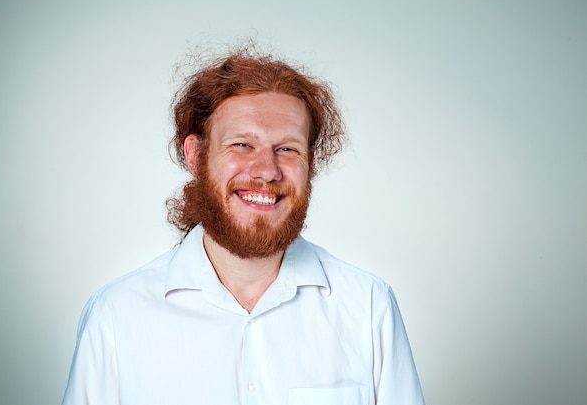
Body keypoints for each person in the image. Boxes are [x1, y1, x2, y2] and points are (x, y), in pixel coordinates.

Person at [61, 43, 425, 405]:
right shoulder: (116, 315)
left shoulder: (368, 306)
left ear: (310, 163)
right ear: (196, 155)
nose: (267, 171)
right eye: (241, 144)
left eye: (287, 149)